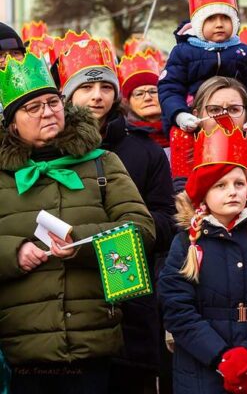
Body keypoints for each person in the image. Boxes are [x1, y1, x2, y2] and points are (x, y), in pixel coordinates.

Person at [0, 52, 155, 393]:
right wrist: (15, 251)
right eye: (33, 108)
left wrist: (79, 242)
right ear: (13, 122)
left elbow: (141, 230)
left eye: (52, 102)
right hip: (22, 349)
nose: (47, 112)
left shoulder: (103, 164)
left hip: (93, 341)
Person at [57, 38, 176, 393]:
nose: (97, 96)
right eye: (87, 87)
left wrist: (117, 235)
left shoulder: (145, 152)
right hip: (74, 297)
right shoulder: (50, 151)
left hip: (131, 299)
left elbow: (168, 221)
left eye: (106, 86)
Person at [158, 125, 247, 394]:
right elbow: (177, 309)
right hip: (201, 375)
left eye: (239, 183)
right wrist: (220, 357)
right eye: (220, 185)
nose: (233, 192)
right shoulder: (186, 244)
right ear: (203, 195)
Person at [158, 0, 247, 133]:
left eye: (225, 18)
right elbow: (170, 88)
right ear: (199, 25)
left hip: (238, 126)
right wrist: (180, 114)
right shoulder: (183, 53)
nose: (219, 24)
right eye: (211, 19)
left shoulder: (245, 53)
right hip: (195, 125)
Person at [185, 76, 247, 197]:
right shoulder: (172, 155)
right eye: (215, 110)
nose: (225, 117)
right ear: (197, 115)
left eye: (234, 110)